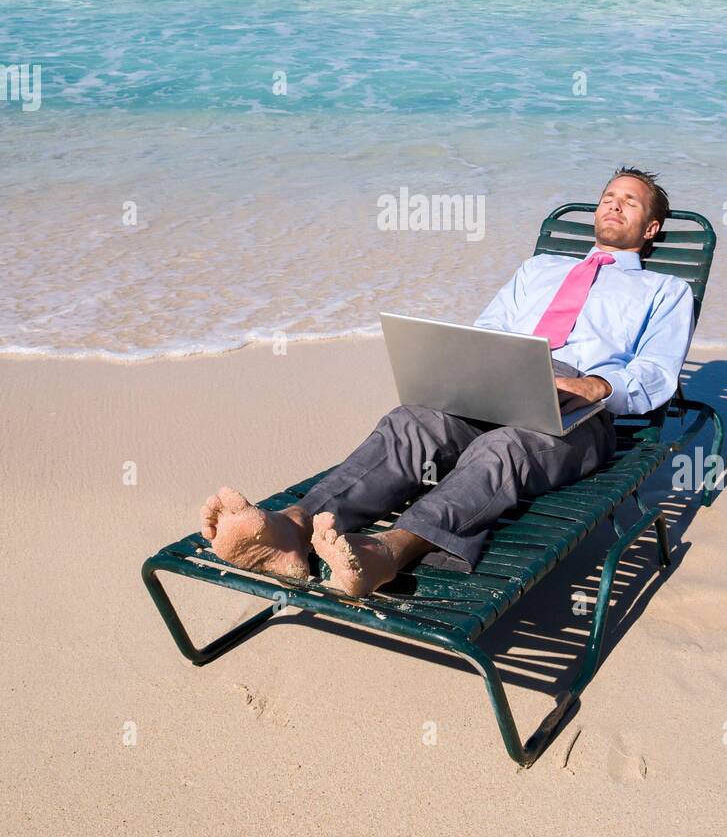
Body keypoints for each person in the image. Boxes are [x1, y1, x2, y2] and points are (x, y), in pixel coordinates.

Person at [200, 167, 695, 596]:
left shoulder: (665, 289)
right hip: (500, 377)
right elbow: (490, 330)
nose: (614, 205)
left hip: (579, 409)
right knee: (410, 423)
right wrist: (473, 368)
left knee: (503, 449)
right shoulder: (540, 268)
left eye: (629, 201)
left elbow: (657, 372)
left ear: (651, 227)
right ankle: (291, 530)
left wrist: (597, 387)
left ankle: (386, 554)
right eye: (608, 197)